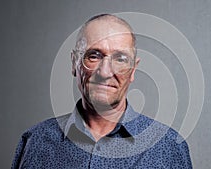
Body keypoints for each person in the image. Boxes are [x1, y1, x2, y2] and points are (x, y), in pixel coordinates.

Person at [12, 14, 192, 169]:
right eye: (94, 56)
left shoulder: (169, 147)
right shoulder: (35, 142)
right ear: (74, 63)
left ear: (133, 70)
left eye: (120, 59)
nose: (105, 72)